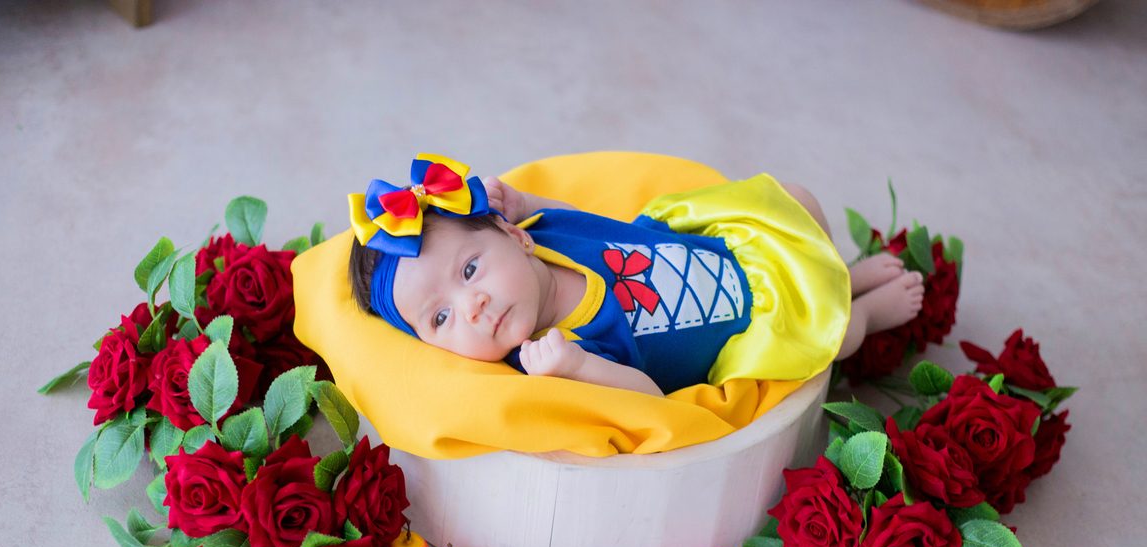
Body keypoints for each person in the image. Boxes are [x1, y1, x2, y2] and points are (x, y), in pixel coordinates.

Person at [347, 154, 923, 397]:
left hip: (715, 249)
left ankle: (841, 275)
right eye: (440, 317)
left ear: (515, 236)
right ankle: (863, 312)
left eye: (469, 269)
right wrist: (579, 367)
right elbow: (649, 399)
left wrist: (522, 198)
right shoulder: (552, 354)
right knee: (831, 335)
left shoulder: (540, 234)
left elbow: (595, 221)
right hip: (744, 324)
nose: (471, 305)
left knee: (794, 198)